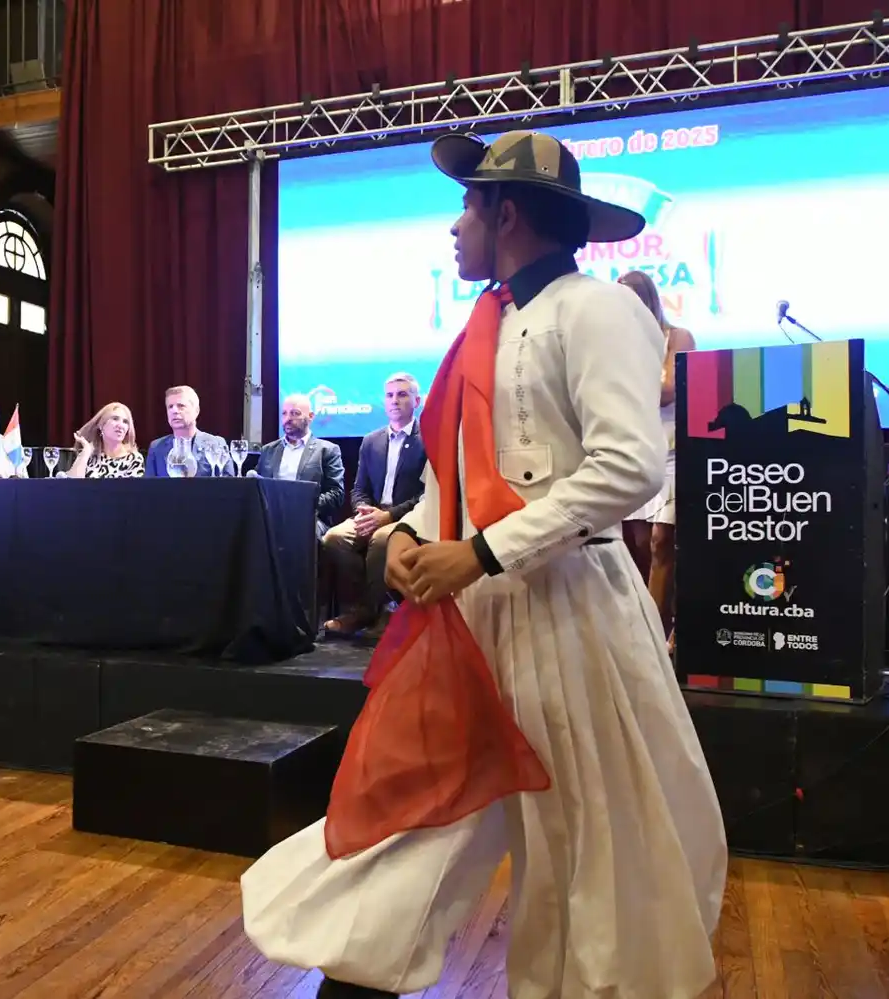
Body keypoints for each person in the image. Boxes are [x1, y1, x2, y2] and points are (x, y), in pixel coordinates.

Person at [240, 131, 725, 999]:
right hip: (477, 619)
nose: (455, 227)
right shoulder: (480, 330)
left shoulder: (599, 308)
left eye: (466, 206)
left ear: (506, 212)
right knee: (415, 812)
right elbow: (447, 486)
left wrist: (484, 552)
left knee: (588, 848)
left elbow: (629, 466)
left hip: (577, 618)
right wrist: (399, 538)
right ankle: (353, 979)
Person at [619, 269, 694, 647]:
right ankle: (654, 624)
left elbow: (668, 391)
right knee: (638, 545)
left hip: (676, 452)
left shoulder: (676, 337)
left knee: (662, 540)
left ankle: (654, 637)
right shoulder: (615, 346)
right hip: (638, 451)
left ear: (649, 298)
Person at [321, 373, 426, 639]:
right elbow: (359, 489)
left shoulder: (428, 439)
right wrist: (364, 511)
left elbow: (427, 494)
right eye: (390, 395)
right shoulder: (371, 440)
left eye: (402, 394)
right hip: (373, 512)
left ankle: (383, 611)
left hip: (410, 515)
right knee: (333, 538)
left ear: (417, 400)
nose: (395, 400)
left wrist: (388, 516)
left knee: (381, 540)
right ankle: (359, 611)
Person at [255, 394, 345, 536]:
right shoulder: (269, 450)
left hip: (309, 518)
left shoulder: (326, 450)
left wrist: (302, 505)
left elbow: (336, 494)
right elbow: (257, 487)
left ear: (310, 417)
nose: (288, 419)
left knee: (298, 529)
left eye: (295, 413)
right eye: (284, 413)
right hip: (271, 517)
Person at [144, 385, 228, 477]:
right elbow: (148, 488)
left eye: (181, 406)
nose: (174, 411)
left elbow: (230, 485)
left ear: (196, 411)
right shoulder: (156, 447)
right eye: (170, 407)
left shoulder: (216, 443)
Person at [66, 402, 145, 478]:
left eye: (125, 422)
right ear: (101, 425)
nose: (120, 425)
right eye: (115, 419)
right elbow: (72, 486)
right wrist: (85, 453)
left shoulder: (134, 459)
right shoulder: (89, 455)